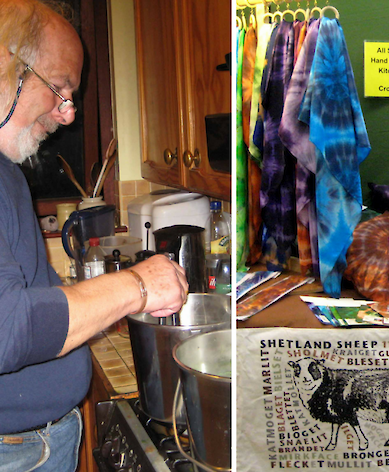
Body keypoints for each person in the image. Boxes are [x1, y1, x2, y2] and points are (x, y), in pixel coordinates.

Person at [0, 1, 189, 468]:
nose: (67, 115)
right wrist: (137, 286)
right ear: (8, 68)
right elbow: (5, 329)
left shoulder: (7, 172)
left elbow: (29, 290)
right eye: (59, 89)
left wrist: (95, 300)